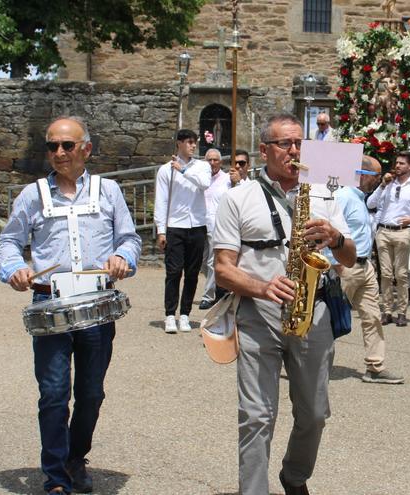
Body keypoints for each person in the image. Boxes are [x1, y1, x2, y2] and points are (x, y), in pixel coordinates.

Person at [0, 117, 141, 495]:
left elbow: (129, 239)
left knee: (91, 392)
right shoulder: (32, 195)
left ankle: (76, 457)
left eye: (67, 146)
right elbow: (8, 242)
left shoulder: (108, 191)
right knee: (55, 392)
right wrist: (15, 269)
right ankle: (56, 476)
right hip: (50, 302)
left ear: (86, 149)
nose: (59, 153)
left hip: (97, 304)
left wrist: (122, 257)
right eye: (52, 146)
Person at [212, 113, 356, 495]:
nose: (294, 152)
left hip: (315, 311)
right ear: (264, 150)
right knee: (256, 416)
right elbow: (223, 270)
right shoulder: (237, 197)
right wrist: (261, 287)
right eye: (284, 145)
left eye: (299, 144)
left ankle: (294, 476)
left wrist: (337, 237)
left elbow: (352, 258)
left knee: (315, 414)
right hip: (258, 314)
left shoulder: (324, 191)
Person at [333, 155, 405, 384]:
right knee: (327, 318)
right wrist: (335, 267)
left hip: (365, 267)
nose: (378, 179)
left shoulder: (360, 198)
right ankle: (305, 361)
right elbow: (330, 231)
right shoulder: (343, 196)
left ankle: (375, 366)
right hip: (345, 268)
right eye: (376, 175)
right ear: (362, 175)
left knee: (372, 316)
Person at [154, 129, 212, 333]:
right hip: (175, 225)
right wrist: (161, 230)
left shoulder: (202, 166)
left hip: (196, 224)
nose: (193, 146)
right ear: (178, 143)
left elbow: (205, 184)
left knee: (192, 272)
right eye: (188, 142)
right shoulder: (165, 170)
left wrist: (184, 171)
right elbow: (160, 201)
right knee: (173, 271)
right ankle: (170, 314)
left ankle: (185, 314)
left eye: (194, 142)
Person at [367, 151, 410, 327]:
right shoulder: (387, 185)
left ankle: (402, 311)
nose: (398, 166)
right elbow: (370, 204)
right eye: (397, 163)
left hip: (402, 232)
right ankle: (387, 311)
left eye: (402, 163)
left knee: (401, 274)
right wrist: (381, 185)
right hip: (384, 232)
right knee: (385, 274)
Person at [198, 148, 227, 310]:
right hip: (199, 224)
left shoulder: (227, 179)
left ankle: (208, 296)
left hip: (217, 225)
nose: (212, 163)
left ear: (220, 162)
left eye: (215, 160)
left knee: (211, 262)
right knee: (201, 262)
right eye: (209, 160)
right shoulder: (200, 179)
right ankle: (217, 286)